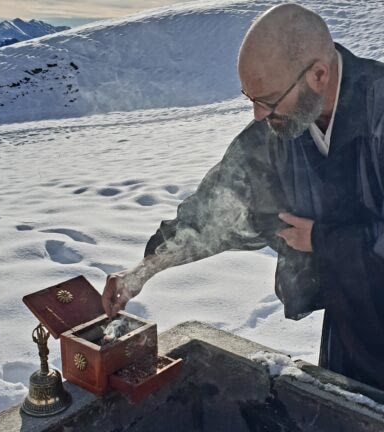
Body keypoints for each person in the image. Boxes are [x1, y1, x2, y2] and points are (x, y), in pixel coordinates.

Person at [102, 3, 384, 390]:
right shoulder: (283, 127)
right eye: (250, 98)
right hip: (347, 326)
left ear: (319, 74)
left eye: (267, 99)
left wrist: (322, 239)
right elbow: (216, 209)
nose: (257, 115)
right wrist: (145, 268)